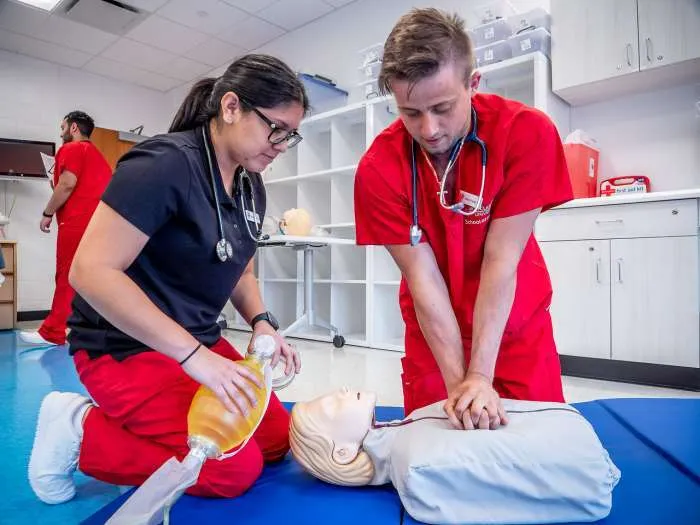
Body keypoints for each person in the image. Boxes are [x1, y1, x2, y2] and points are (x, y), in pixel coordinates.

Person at [27, 53, 306, 505]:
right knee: (229, 470)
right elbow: (90, 271)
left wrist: (261, 322)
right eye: (275, 127)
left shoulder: (250, 183)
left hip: (194, 340)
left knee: (275, 440)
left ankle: (140, 421)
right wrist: (194, 356)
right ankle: (79, 430)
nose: (280, 143)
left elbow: (242, 266)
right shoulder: (165, 164)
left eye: (289, 135)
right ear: (231, 107)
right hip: (123, 346)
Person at [353, 8, 574, 430]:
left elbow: (501, 260)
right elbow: (423, 279)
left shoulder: (526, 134)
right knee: (441, 451)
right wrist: (462, 387)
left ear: (473, 83)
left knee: (539, 447)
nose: (429, 128)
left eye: (442, 107)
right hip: (434, 338)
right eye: (410, 113)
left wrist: (482, 376)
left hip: (513, 326)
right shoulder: (378, 169)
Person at [289, 388, 620, 525]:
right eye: (333, 404)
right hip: (581, 456)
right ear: (343, 452)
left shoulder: (409, 431)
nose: (343, 390)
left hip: (571, 434)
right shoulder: (417, 466)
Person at [19, 111, 112, 347]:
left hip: (76, 222)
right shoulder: (99, 157)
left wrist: (47, 213)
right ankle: (86, 329)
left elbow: (67, 184)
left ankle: (53, 332)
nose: (61, 133)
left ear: (73, 128)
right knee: (88, 278)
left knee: (66, 275)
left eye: (62, 127)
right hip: (98, 225)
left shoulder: (70, 149)